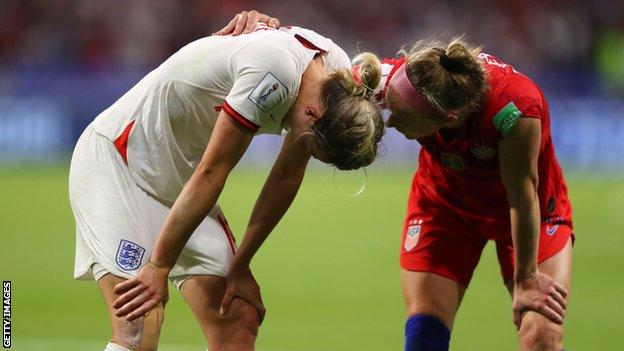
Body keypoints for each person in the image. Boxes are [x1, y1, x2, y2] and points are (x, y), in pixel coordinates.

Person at [219, 11, 573, 351]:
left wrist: (526, 280)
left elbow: (521, 195)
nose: (389, 123)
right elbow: (307, 77)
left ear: (447, 118)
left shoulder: (514, 110)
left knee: (540, 338)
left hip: (531, 215)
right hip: (444, 207)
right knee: (424, 337)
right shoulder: (385, 79)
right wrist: (268, 31)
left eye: (401, 117)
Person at [69, 23, 384, 351]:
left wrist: (241, 263)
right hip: (120, 162)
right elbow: (212, 171)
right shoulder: (273, 75)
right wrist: (159, 265)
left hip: (178, 183)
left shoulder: (337, 81)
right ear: (312, 114)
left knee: (237, 319)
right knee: (139, 324)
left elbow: (286, 176)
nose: (304, 150)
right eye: (311, 147)